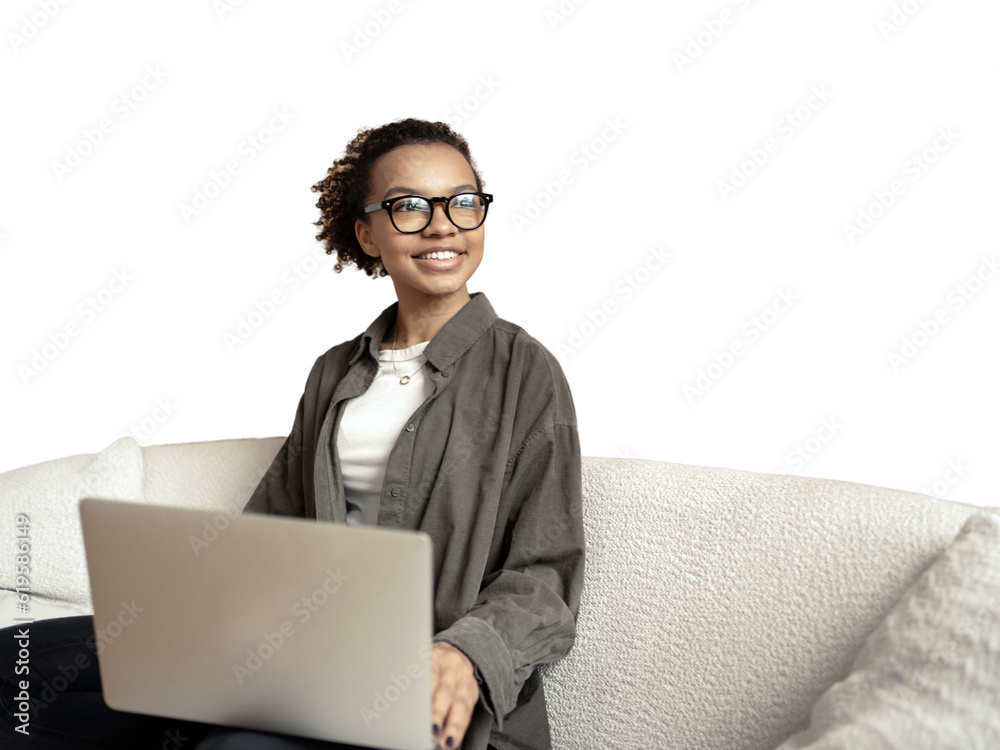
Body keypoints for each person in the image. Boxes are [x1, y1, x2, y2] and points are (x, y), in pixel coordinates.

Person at [0, 118, 585, 750]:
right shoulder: (335, 372)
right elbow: (270, 531)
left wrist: (466, 656)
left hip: (423, 694)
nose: (442, 224)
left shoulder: (525, 372)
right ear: (367, 232)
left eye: (462, 202)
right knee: (21, 668)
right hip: (303, 660)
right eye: (409, 206)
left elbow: (545, 572)